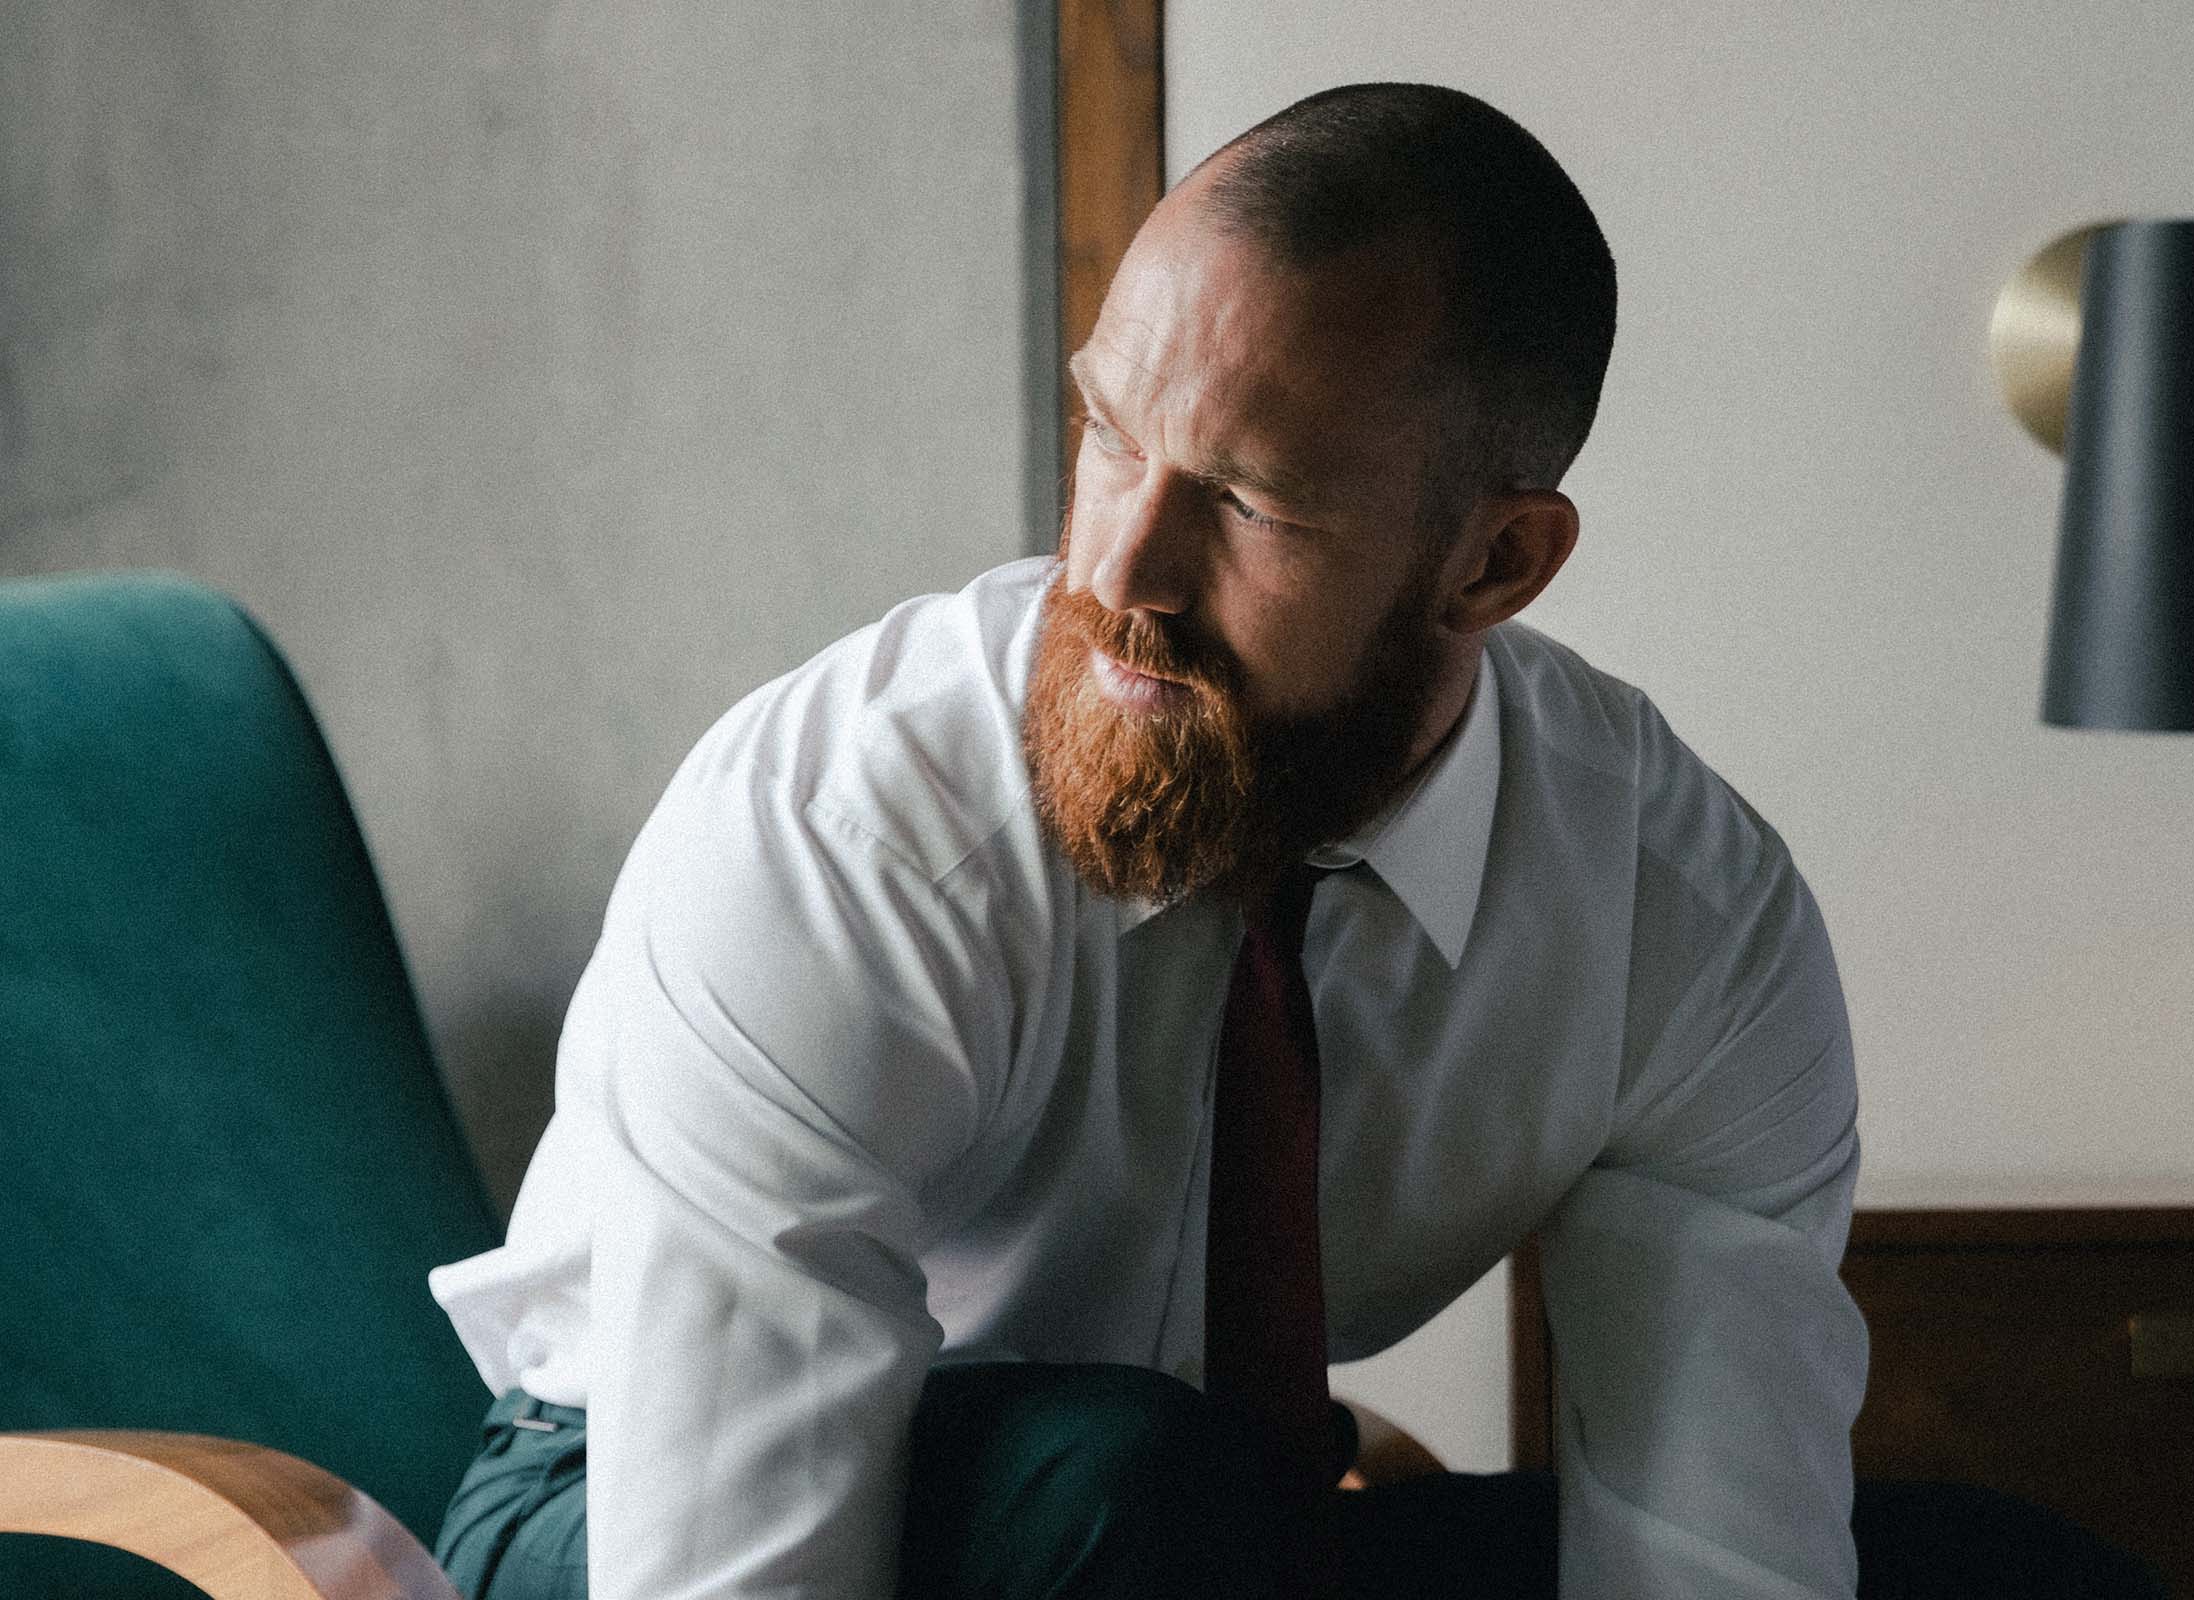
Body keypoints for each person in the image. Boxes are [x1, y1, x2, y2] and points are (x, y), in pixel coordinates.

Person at [426, 82, 1865, 1600]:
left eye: (1246, 502)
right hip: (628, 1495)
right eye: (1109, 434)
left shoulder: (1681, 917)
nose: (1118, 571)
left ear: (1497, 563)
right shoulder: (847, 832)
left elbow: (1719, 1553)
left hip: (1204, 1525)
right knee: (1140, 1494)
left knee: (1979, 1563)